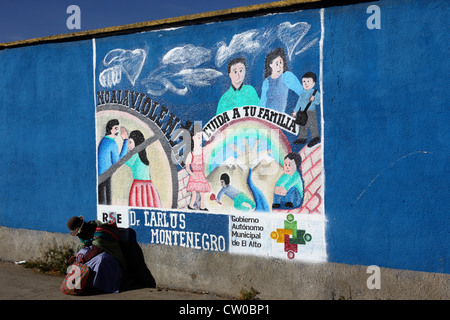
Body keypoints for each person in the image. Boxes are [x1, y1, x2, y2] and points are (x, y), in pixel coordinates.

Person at [66, 216, 126, 293]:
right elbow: (86, 251)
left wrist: (82, 260)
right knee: (82, 253)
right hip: (95, 254)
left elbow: (96, 249)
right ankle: (83, 283)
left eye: (78, 234)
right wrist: (77, 258)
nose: (78, 236)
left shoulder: (101, 232)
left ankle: (100, 286)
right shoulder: (86, 237)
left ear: (83, 229)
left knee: (102, 259)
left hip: (112, 259)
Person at [259, 47, 303, 114]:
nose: (279, 66)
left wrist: (297, 110)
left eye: (281, 63)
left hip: (280, 118)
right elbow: (262, 102)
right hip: (266, 117)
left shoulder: (287, 76)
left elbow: (302, 93)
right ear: (270, 65)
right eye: (277, 63)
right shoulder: (266, 81)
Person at [125, 130, 161, 208]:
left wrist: (124, 141)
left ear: (136, 142)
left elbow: (126, 161)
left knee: (137, 204)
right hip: (148, 185)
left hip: (138, 185)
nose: (128, 145)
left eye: (130, 142)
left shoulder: (135, 155)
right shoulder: (143, 155)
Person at [97, 119, 129, 205]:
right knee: (106, 202)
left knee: (102, 200)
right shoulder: (111, 143)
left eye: (118, 128)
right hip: (105, 176)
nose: (118, 131)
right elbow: (118, 162)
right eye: (116, 128)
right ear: (110, 130)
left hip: (102, 176)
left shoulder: (104, 140)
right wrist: (125, 140)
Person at [292, 72, 321, 147]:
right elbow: (299, 103)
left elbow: (319, 101)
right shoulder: (302, 93)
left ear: (313, 83)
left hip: (311, 112)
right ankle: (302, 138)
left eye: (308, 81)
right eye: (304, 81)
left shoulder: (315, 92)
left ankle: (315, 137)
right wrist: (295, 111)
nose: (306, 83)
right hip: (302, 112)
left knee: (312, 124)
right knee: (303, 125)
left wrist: (314, 99)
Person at [186, 125, 211, 211]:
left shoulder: (202, 151)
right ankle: (191, 206)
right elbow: (187, 168)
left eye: (201, 137)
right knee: (194, 194)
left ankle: (202, 207)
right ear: (193, 138)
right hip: (195, 176)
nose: (201, 139)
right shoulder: (190, 154)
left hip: (201, 174)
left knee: (202, 193)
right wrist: (192, 174)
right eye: (199, 137)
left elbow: (208, 148)